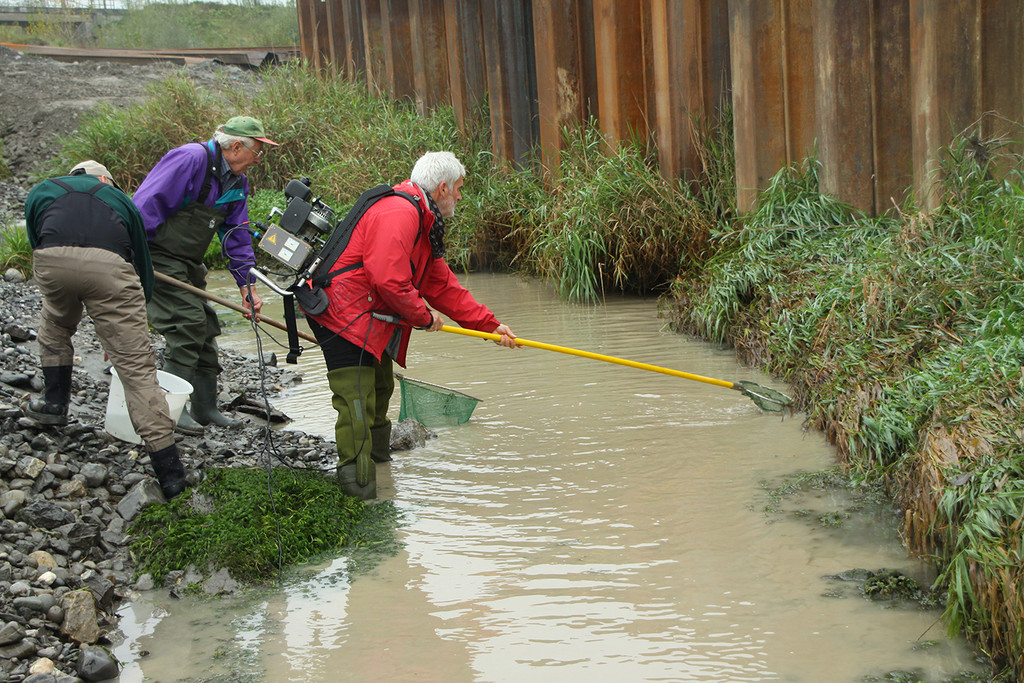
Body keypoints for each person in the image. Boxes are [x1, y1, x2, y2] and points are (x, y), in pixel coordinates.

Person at [300, 151, 518, 500]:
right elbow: (388, 280)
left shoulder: (422, 217)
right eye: (459, 189)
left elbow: (441, 284)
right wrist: (424, 316)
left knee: (382, 388)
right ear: (443, 188)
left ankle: (382, 478)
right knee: (356, 401)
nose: (460, 197)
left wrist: (490, 326)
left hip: (370, 319)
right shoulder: (399, 212)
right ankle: (359, 494)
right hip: (342, 315)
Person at [23, 160, 187, 499]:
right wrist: (127, 330)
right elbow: (142, 266)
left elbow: (35, 237)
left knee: (55, 321)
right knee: (137, 369)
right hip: (111, 270)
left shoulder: (44, 189)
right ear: (104, 180)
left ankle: (54, 405)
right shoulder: (120, 200)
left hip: (52, 261)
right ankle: (171, 475)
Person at [132, 116, 275, 434]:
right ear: (237, 146)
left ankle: (205, 408)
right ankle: (169, 409)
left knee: (207, 326)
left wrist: (247, 287)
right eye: (258, 152)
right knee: (187, 323)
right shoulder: (190, 159)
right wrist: (133, 258)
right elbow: (144, 207)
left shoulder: (237, 181)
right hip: (155, 255)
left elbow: (236, 235)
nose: (258, 159)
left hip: (187, 262)